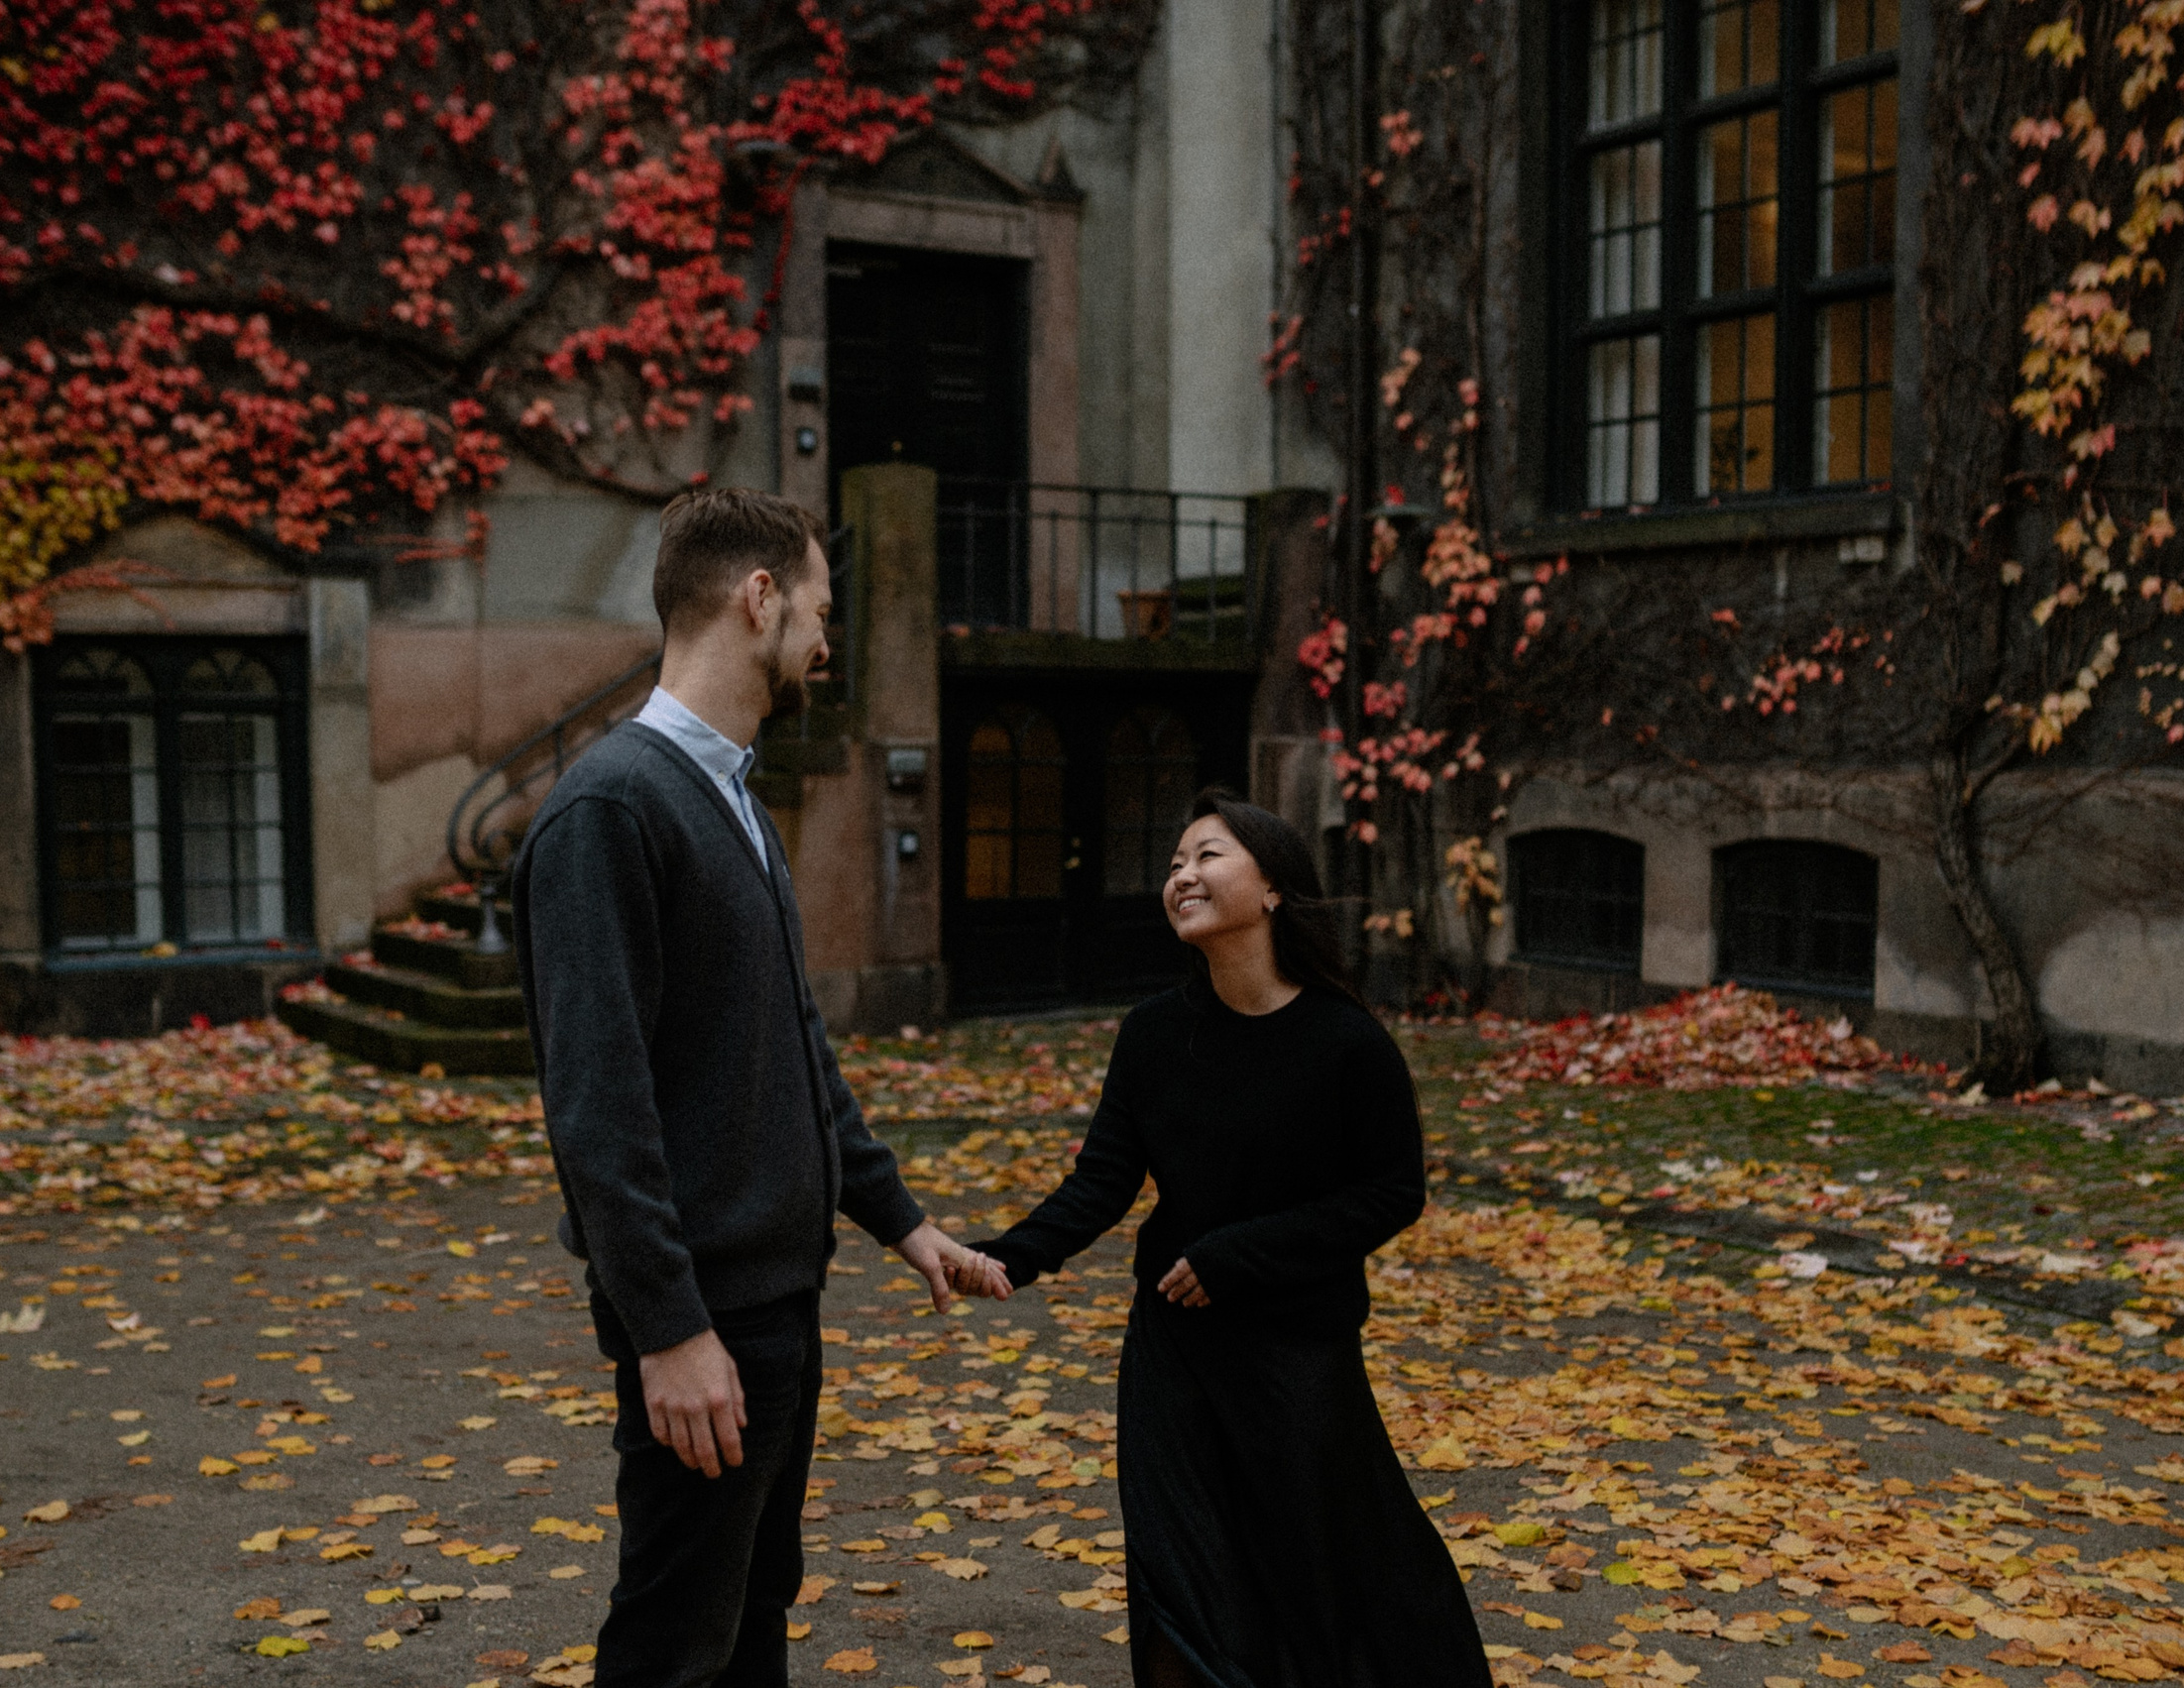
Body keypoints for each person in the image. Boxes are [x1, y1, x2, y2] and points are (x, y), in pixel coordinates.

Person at [511, 487, 1009, 1688]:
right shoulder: (610, 809)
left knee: (747, 1625)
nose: (826, 642)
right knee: (673, 1643)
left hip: (778, 1307)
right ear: (757, 598)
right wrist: (670, 1328)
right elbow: (598, 1108)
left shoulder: (733, 796)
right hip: (707, 1324)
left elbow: (790, 1046)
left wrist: (902, 1220)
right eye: (819, 610)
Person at [961, 790, 1492, 1688]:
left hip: (1297, 1358)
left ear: (1274, 887)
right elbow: (1102, 1183)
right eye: (1173, 864)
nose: (1182, 876)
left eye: (1206, 855)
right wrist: (1005, 1256)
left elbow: (1392, 1192)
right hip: (1175, 1359)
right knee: (1182, 1579)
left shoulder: (1346, 1043)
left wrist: (1239, 1254)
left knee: (1321, 1575)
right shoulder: (1155, 1035)